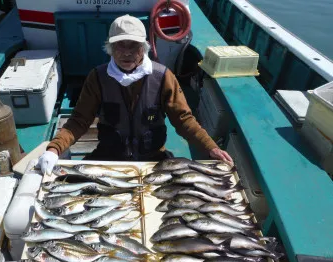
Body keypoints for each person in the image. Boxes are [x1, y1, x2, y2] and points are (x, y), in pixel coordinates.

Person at [38, 14, 233, 175]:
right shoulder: (97, 77)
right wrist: (54, 149)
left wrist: (210, 147)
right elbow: (78, 121)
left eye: (133, 45)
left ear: (144, 48)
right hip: (109, 157)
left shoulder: (163, 76)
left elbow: (183, 120)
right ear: (110, 48)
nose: (127, 53)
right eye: (120, 45)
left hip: (153, 159)